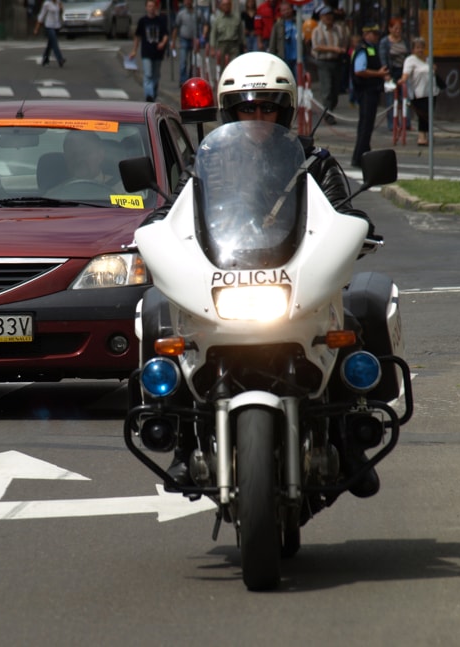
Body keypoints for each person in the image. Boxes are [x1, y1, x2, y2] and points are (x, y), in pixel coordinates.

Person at [164, 52, 374, 495]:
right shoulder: (208, 165)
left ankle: (349, 438)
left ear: (285, 110)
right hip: (227, 278)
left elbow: (342, 210)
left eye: (268, 107)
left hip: (293, 280)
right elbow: (176, 212)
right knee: (159, 319)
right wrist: (155, 228)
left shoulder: (313, 162)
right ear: (230, 111)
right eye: (247, 107)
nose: (258, 116)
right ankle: (182, 446)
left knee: (354, 322)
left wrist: (357, 228)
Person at [350, 23, 388, 168]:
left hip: (372, 90)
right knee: (365, 126)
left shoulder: (372, 48)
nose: (377, 36)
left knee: (367, 126)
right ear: (366, 34)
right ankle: (358, 158)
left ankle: (363, 154)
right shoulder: (362, 49)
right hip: (366, 91)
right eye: (374, 33)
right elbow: (359, 70)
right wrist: (378, 73)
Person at [310, 6, 349, 125]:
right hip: (323, 62)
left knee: (335, 91)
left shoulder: (338, 29)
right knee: (327, 89)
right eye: (326, 16)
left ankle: (330, 110)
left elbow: (344, 42)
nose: (329, 18)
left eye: (330, 15)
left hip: (336, 62)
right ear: (321, 17)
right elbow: (316, 46)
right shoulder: (317, 30)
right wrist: (332, 49)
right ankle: (328, 114)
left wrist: (342, 50)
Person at [397, 37, 439, 146]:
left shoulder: (428, 59)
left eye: (422, 47)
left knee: (429, 114)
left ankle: (427, 134)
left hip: (431, 91)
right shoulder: (410, 60)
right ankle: (421, 136)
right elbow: (406, 74)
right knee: (423, 114)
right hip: (418, 93)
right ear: (413, 49)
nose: (420, 50)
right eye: (417, 48)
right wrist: (402, 80)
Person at [130, 0, 168, 102]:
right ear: (146, 8)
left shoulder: (160, 20)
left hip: (158, 53)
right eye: (149, 6)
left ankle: (153, 96)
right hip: (146, 52)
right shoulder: (143, 21)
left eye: (153, 6)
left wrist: (163, 43)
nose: (151, 8)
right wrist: (134, 50)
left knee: (156, 76)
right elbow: (137, 36)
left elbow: (165, 35)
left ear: (155, 8)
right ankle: (149, 96)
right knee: (148, 75)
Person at [378, 17, 409, 131]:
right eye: (395, 28)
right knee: (391, 99)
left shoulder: (404, 41)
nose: (398, 31)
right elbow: (383, 58)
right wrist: (386, 74)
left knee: (406, 97)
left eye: (400, 29)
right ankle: (393, 124)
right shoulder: (385, 42)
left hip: (403, 71)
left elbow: (408, 55)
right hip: (391, 71)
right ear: (390, 29)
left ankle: (407, 123)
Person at [208, 0, 245, 71]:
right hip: (222, 45)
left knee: (234, 65)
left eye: (228, 4)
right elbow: (213, 34)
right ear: (221, 6)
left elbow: (241, 34)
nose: (226, 7)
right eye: (224, 5)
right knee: (222, 66)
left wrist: (243, 45)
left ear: (231, 6)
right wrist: (212, 48)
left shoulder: (236, 18)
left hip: (234, 45)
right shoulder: (218, 20)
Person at [267, 1, 299, 76]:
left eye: (288, 9)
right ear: (280, 12)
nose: (286, 12)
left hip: (297, 57)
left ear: (291, 9)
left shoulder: (298, 22)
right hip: (284, 57)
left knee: (298, 78)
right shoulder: (278, 25)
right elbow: (273, 43)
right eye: (283, 10)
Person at [172, 0, 198, 86]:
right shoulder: (181, 14)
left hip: (193, 40)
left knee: (192, 62)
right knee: (183, 61)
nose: (187, 2)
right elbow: (176, 27)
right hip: (184, 39)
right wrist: (173, 41)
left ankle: (190, 79)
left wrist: (201, 37)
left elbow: (202, 24)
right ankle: (183, 80)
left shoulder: (197, 13)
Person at [34, 0, 65, 68]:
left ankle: (45, 58)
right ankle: (60, 59)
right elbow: (41, 16)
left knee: (50, 44)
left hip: (56, 26)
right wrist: (37, 28)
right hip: (49, 26)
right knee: (54, 42)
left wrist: (61, 9)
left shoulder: (58, 2)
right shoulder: (47, 4)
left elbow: (60, 13)